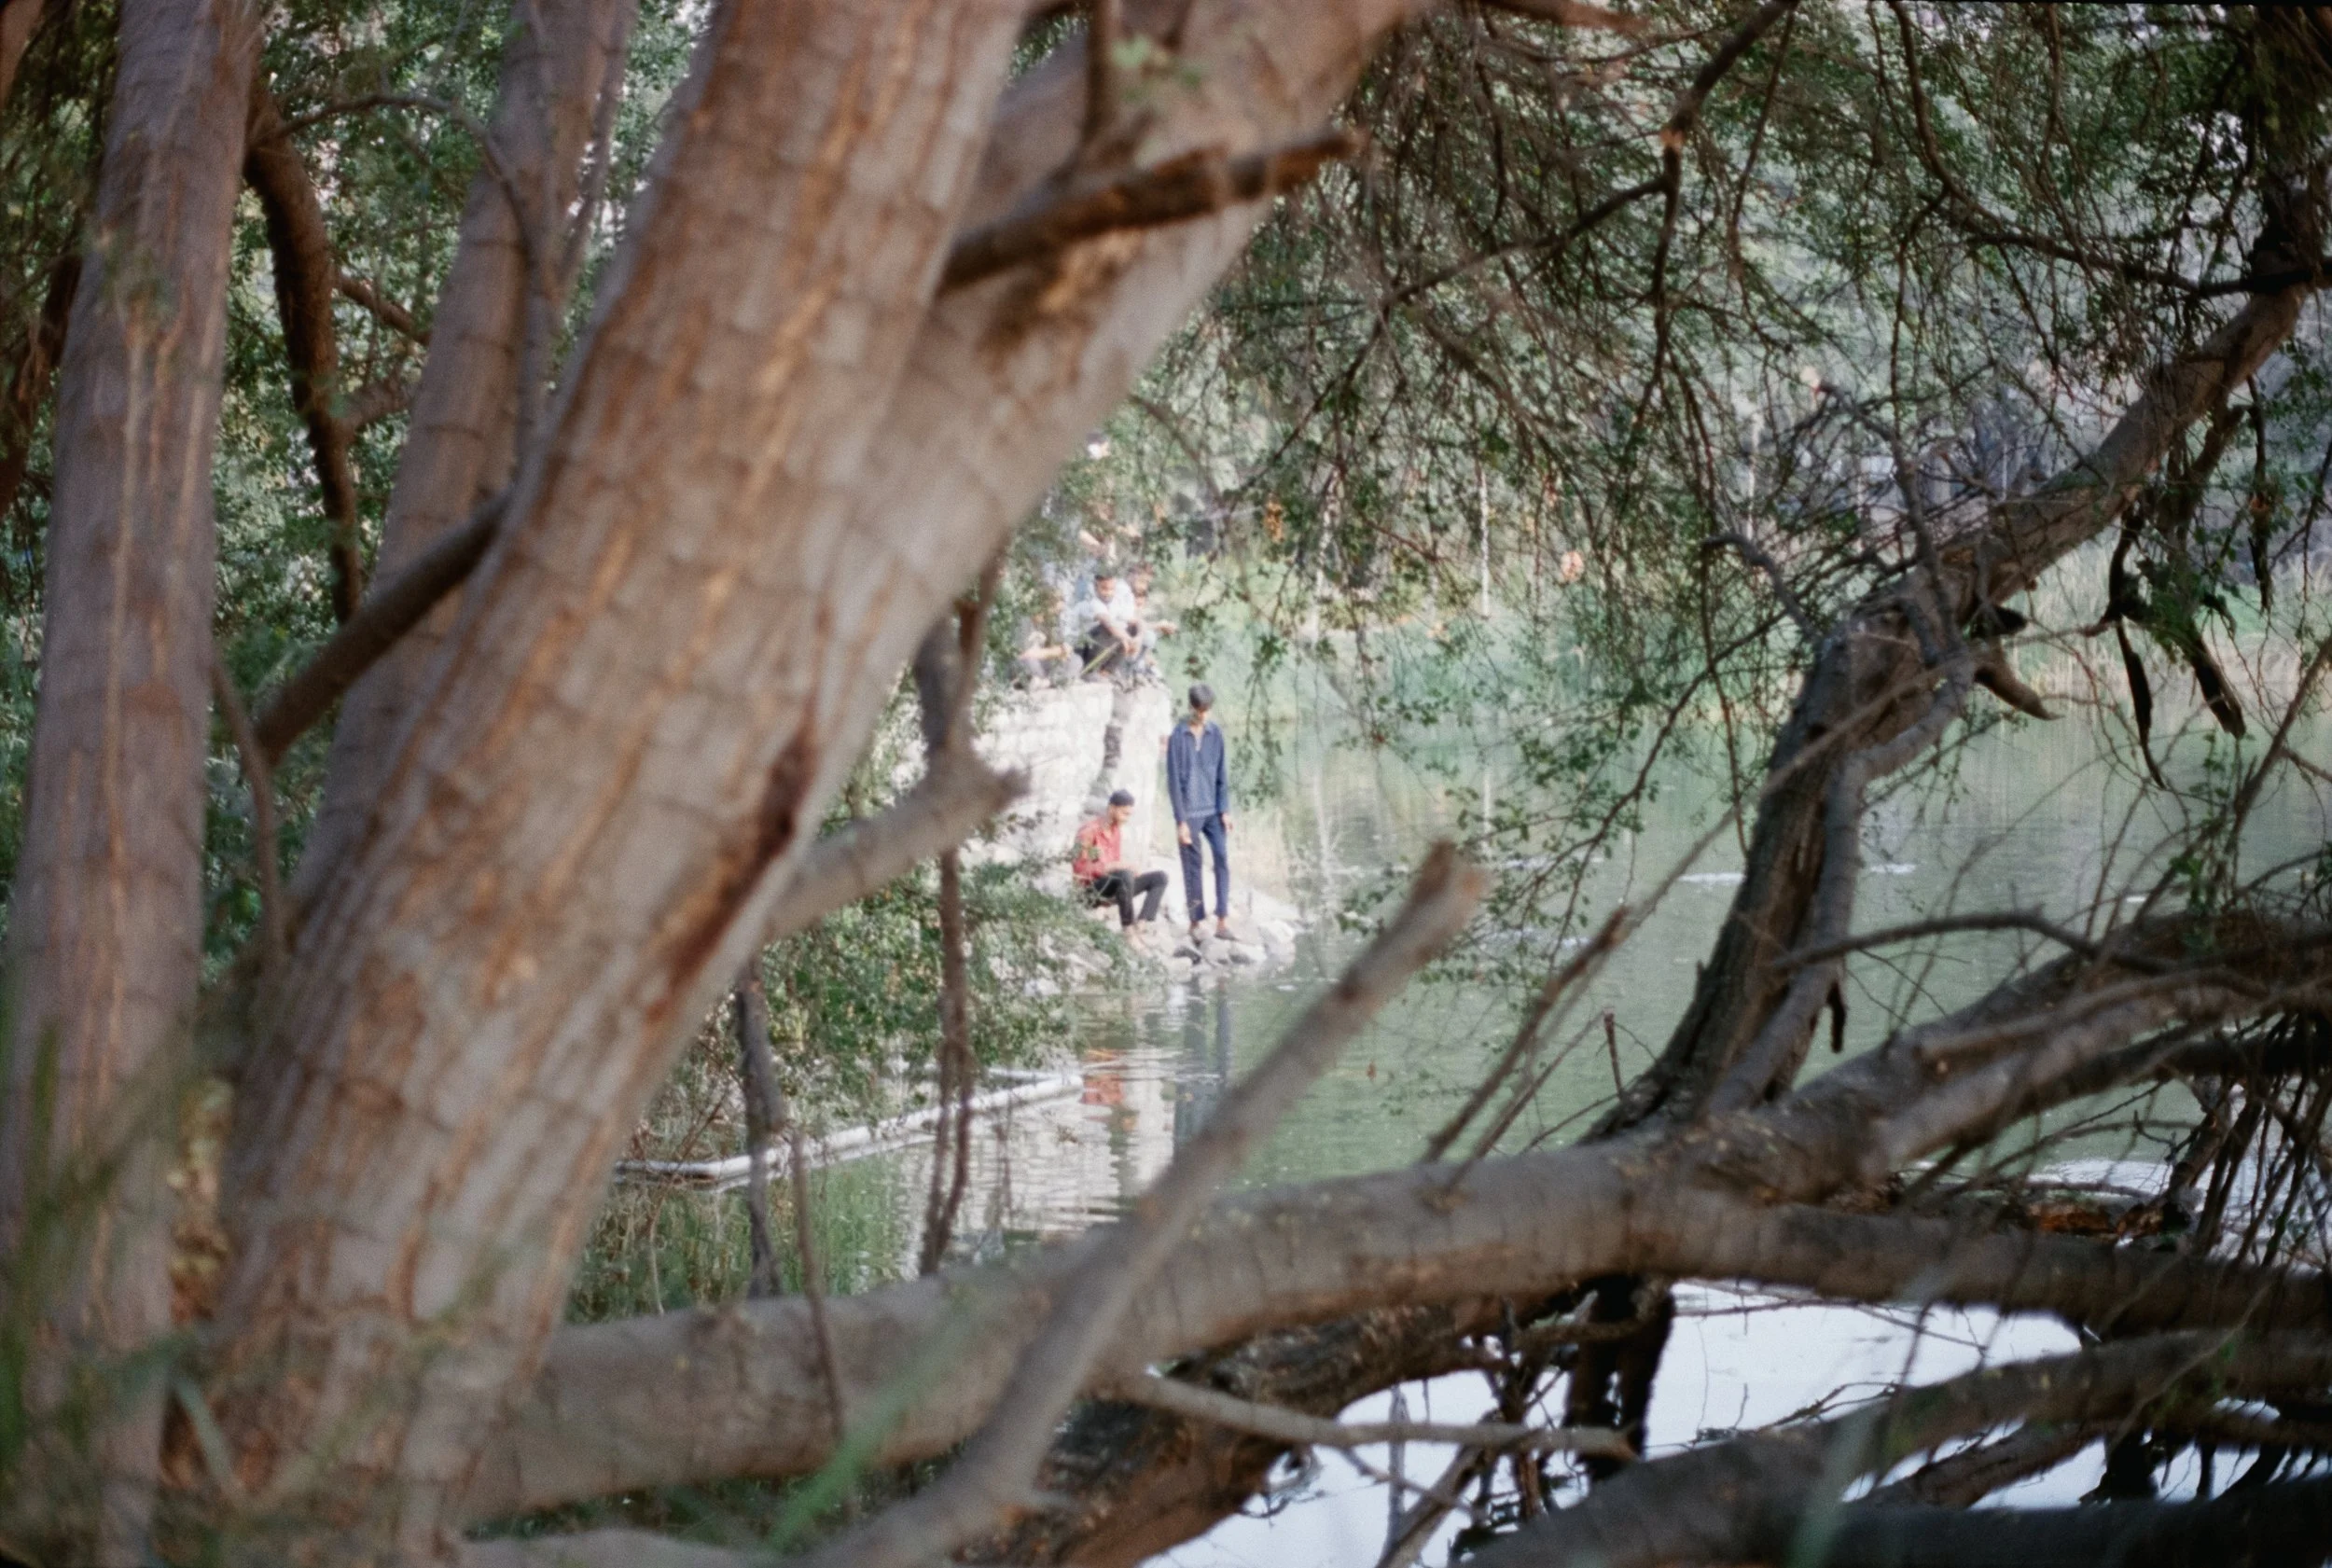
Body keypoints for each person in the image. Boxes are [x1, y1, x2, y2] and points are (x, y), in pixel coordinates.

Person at [1165, 683, 1232, 938]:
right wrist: (1180, 821)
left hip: (1214, 810)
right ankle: (1195, 921)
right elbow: (1172, 782)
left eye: (1208, 710)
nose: (1204, 715)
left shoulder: (1216, 734)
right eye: (1200, 710)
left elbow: (1222, 774)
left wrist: (1225, 809)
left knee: (1222, 858)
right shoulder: (1178, 736)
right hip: (1190, 812)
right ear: (1192, 707)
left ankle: (1222, 919)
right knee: (1192, 866)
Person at [1071, 788, 1167, 930]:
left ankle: (1141, 924)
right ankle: (1128, 929)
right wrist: (1115, 866)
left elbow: (1116, 866)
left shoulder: (1115, 831)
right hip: (1089, 893)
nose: (1126, 819)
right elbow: (1080, 870)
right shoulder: (1089, 831)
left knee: (1160, 877)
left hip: (1110, 889)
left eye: (1129, 815)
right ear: (1111, 809)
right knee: (1124, 875)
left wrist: (1124, 868)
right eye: (1124, 814)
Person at [1069, 567, 1139, 678]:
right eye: (1104, 589)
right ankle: (1089, 671)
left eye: (1112, 589)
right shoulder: (1093, 603)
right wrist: (1127, 639)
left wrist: (1137, 638)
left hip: (1097, 642)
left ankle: (1106, 671)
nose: (1108, 593)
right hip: (1081, 647)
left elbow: (1136, 621)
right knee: (1108, 629)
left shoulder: (1114, 603)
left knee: (1132, 629)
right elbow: (1109, 624)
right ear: (1096, 588)